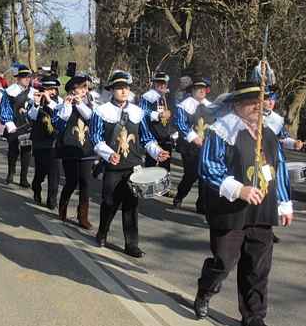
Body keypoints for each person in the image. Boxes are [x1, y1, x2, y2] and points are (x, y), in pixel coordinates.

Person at [194, 81, 293, 326]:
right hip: (230, 210)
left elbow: (278, 168)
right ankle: (205, 290)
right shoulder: (221, 131)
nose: (258, 107)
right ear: (237, 105)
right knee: (223, 262)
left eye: (261, 102)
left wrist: (283, 202)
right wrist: (239, 189)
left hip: (262, 210)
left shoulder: (268, 133)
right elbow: (208, 168)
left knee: (258, 268)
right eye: (252, 102)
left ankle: (253, 317)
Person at [89, 71, 170, 258]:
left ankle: (131, 244)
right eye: (119, 88)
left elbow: (147, 138)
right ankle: (102, 232)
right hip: (113, 166)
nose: (123, 91)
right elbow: (95, 138)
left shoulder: (137, 112)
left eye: (126, 87)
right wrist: (108, 154)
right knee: (109, 203)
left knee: (131, 206)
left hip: (133, 165)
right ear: (112, 90)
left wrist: (158, 152)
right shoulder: (101, 112)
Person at [54, 74, 98, 228]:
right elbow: (59, 124)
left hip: (87, 149)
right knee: (71, 181)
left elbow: (93, 119)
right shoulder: (63, 104)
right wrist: (67, 105)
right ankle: (63, 209)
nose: (85, 91)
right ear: (73, 90)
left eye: (86, 87)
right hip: (69, 148)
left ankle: (83, 216)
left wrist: (81, 104)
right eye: (81, 88)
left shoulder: (91, 104)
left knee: (86, 183)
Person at [173, 75, 213, 212]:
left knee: (205, 175)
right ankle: (179, 196)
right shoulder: (184, 106)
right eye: (198, 88)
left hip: (206, 147)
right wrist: (193, 137)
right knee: (191, 174)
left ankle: (201, 205)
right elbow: (180, 123)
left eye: (203, 88)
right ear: (192, 90)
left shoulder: (210, 106)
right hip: (189, 147)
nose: (201, 91)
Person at [28, 74, 63, 209]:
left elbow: (61, 114)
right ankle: (36, 187)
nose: (52, 92)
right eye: (48, 89)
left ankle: (52, 200)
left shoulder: (59, 102)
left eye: (54, 89)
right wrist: (36, 103)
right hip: (40, 142)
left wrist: (49, 101)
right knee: (40, 172)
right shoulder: (35, 100)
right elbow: (31, 116)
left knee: (54, 174)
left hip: (54, 142)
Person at [0, 64, 35, 187]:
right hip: (14, 124)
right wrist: (8, 123)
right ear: (18, 78)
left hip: (27, 126)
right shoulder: (10, 91)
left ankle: (23, 178)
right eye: (24, 77)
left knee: (26, 151)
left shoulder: (33, 93)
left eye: (28, 77)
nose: (27, 79)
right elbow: (5, 108)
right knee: (13, 150)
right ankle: (10, 173)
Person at [138, 71, 176, 173]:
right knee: (151, 167)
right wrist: (157, 115)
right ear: (154, 83)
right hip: (152, 136)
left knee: (165, 167)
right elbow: (142, 112)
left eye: (164, 83)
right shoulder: (147, 97)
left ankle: (164, 188)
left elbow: (175, 113)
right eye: (159, 82)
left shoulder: (170, 96)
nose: (162, 85)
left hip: (167, 136)